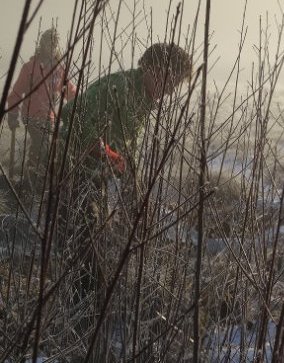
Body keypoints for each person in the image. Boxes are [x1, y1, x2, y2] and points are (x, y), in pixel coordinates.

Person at [56, 43, 193, 310]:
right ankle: (79, 313)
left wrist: (135, 183)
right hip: (69, 168)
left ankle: (94, 298)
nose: (170, 92)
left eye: (175, 86)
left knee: (100, 235)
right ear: (153, 70)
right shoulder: (116, 88)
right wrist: (116, 161)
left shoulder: (142, 98)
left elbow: (124, 145)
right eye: (170, 82)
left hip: (95, 172)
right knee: (84, 243)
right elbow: (78, 126)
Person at [6, 27, 77, 176]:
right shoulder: (30, 68)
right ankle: (30, 177)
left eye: (56, 43)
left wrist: (79, 102)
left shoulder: (58, 69)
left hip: (49, 117)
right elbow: (16, 93)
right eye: (50, 42)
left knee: (47, 149)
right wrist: (12, 114)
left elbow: (69, 90)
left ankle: (27, 173)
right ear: (43, 44)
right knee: (42, 146)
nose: (53, 46)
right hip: (31, 115)